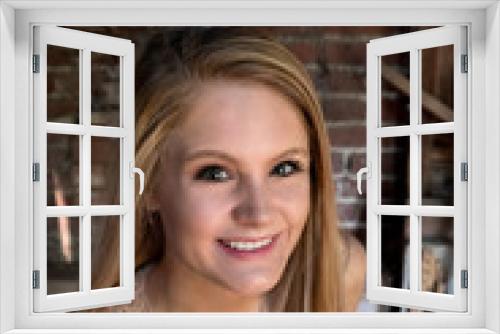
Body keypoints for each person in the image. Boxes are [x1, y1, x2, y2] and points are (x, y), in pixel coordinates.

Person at [92, 27, 366, 312]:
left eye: (284, 168)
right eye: (215, 174)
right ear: (147, 186)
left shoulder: (341, 271)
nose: (259, 214)